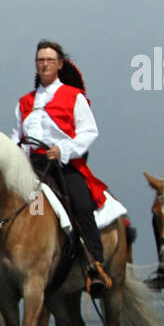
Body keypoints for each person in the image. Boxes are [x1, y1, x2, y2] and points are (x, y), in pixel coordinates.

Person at [14, 40, 112, 297]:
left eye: (49, 60)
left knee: (80, 204)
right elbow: (17, 135)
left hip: (63, 165)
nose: (44, 64)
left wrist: (63, 150)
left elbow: (89, 132)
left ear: (59, 64)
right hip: (32, 166)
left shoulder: (73, 96)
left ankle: (95, 266)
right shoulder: (24, 101)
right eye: (40, 60)